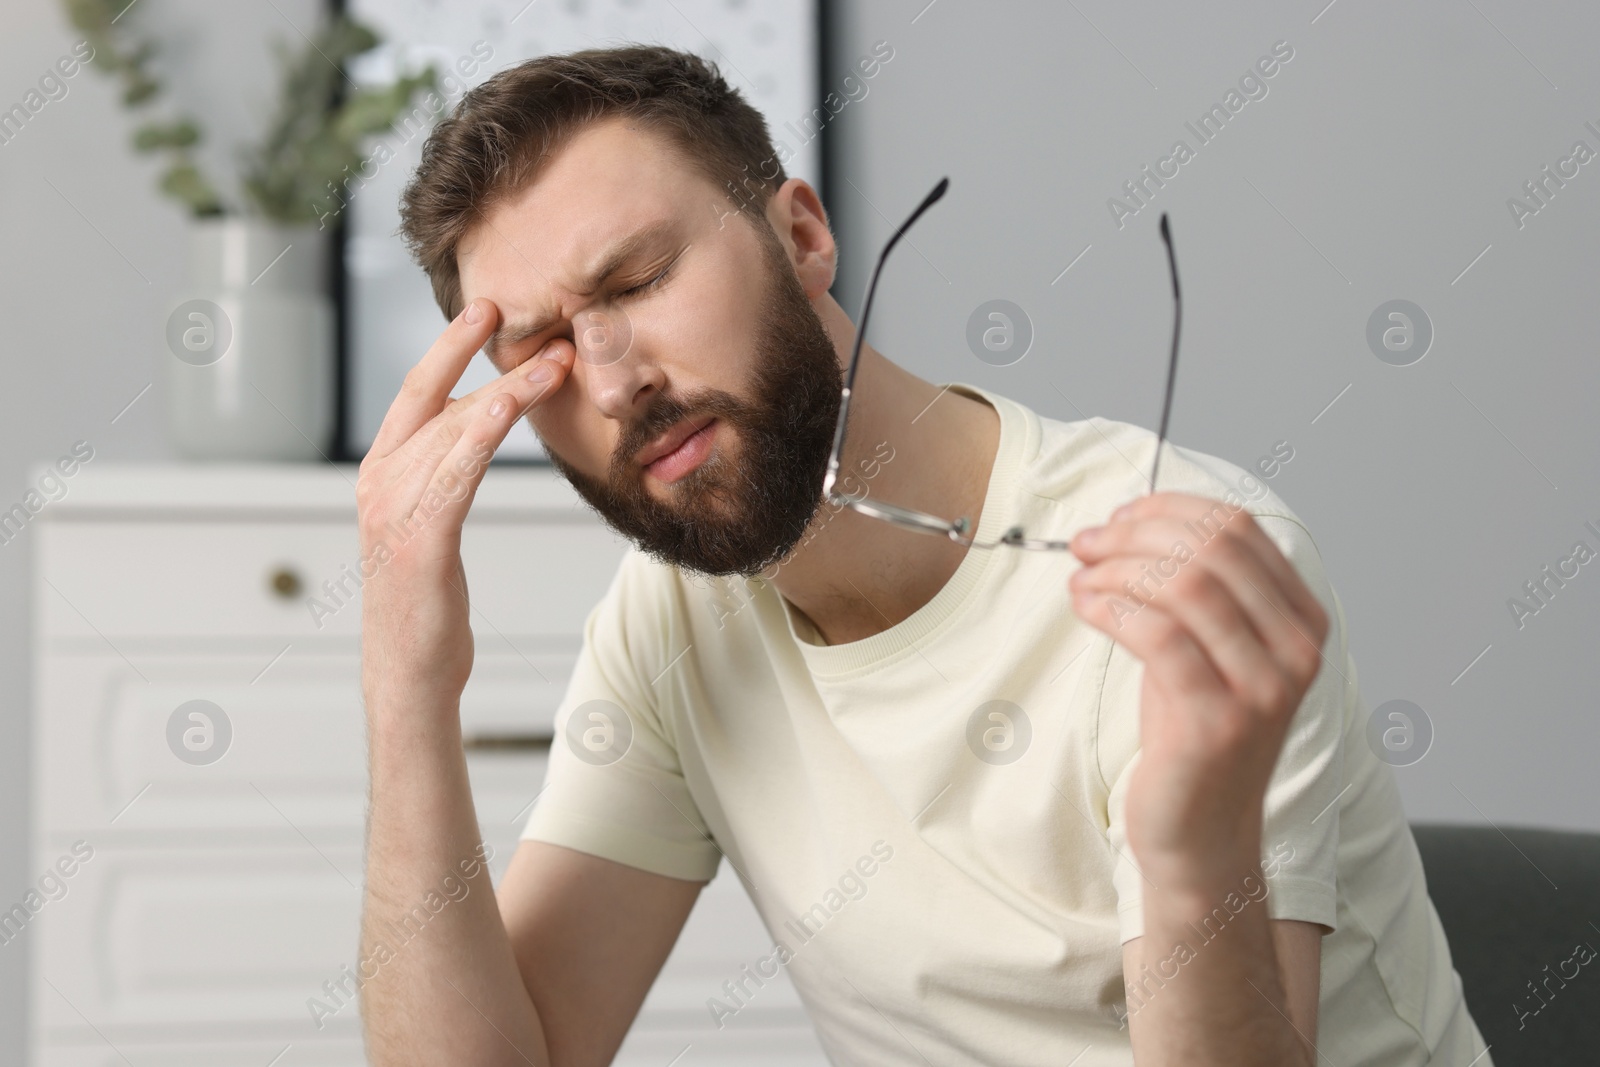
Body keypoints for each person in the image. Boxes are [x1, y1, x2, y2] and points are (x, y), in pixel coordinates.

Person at [355, 44, 1491, 1066]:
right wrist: (405, 683)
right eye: (540, 348)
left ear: (800, 236)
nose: (611, 381)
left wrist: (1191, 851)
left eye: (638, 281)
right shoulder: (671, 624)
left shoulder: (1177, 570)